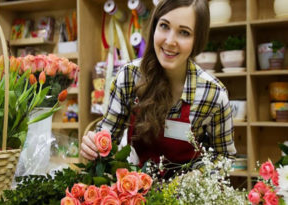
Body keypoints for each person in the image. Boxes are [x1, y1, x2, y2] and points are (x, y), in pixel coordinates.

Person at [81, 0, 236, 169]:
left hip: (188, 192)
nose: (170, 41)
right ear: (154, 26)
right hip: (135, 189)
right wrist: (94, 146)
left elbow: (224, 157)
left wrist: (196, 179)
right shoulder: (129, 77)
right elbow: (107, 136)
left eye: (184, 32)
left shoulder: (213, 94)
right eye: (164, 26)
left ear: (197, 39)